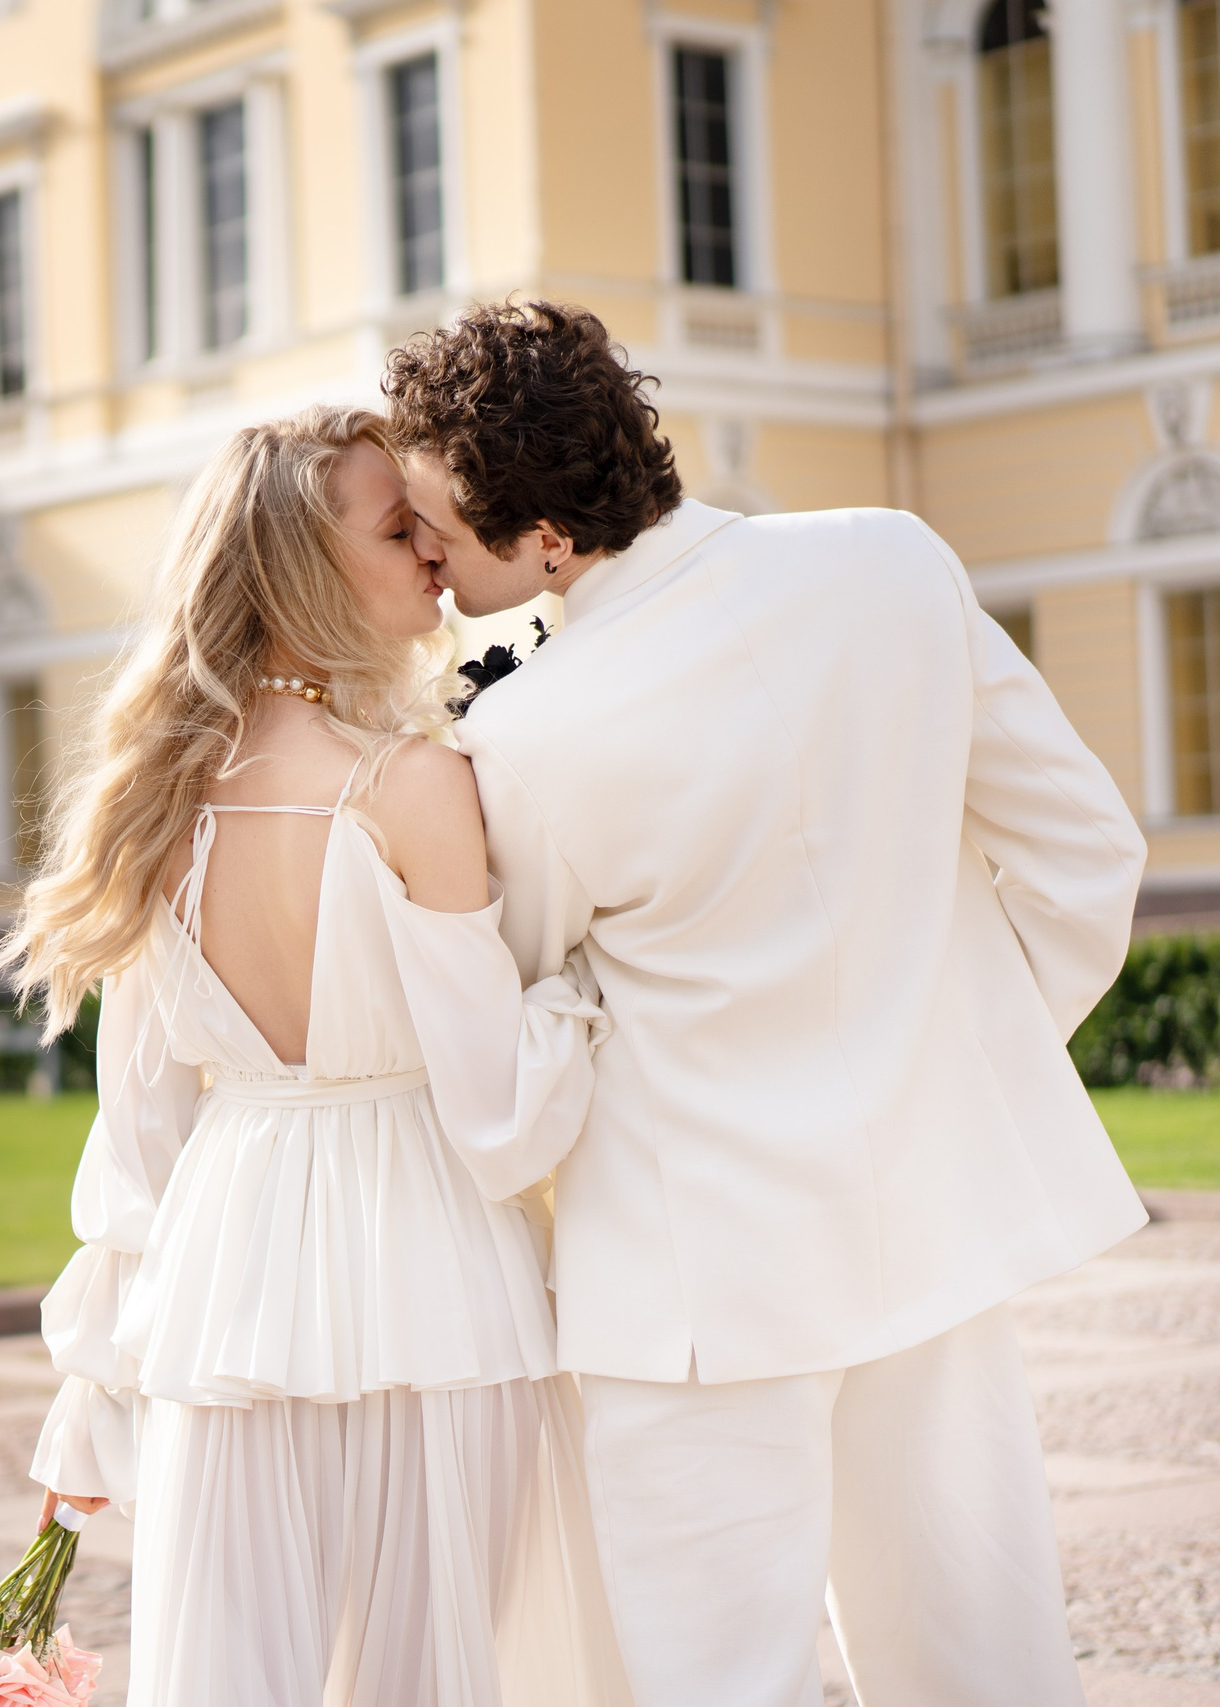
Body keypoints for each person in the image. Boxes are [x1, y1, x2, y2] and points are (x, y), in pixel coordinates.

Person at [382, 300, 1147, 1707]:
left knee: (718, 1680)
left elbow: (537, 998)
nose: (420, 551)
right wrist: (937, 1064)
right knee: (984, 1659)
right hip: (928, 1226)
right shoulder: (889, 561)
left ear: (546, 537)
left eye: (435, 523)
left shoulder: (527, 737)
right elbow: (1090, 856)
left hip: (690, 1295)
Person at [0, 404, 631, 1706]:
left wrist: (91, 1389)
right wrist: (583, 994)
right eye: (401, 530)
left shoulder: (155, 807)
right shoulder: (414, 785)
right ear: (304, 567)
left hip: (222, 1265)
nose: (436, 555)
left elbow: (137, 1144)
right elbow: (500, 1120)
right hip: (431, 1266)